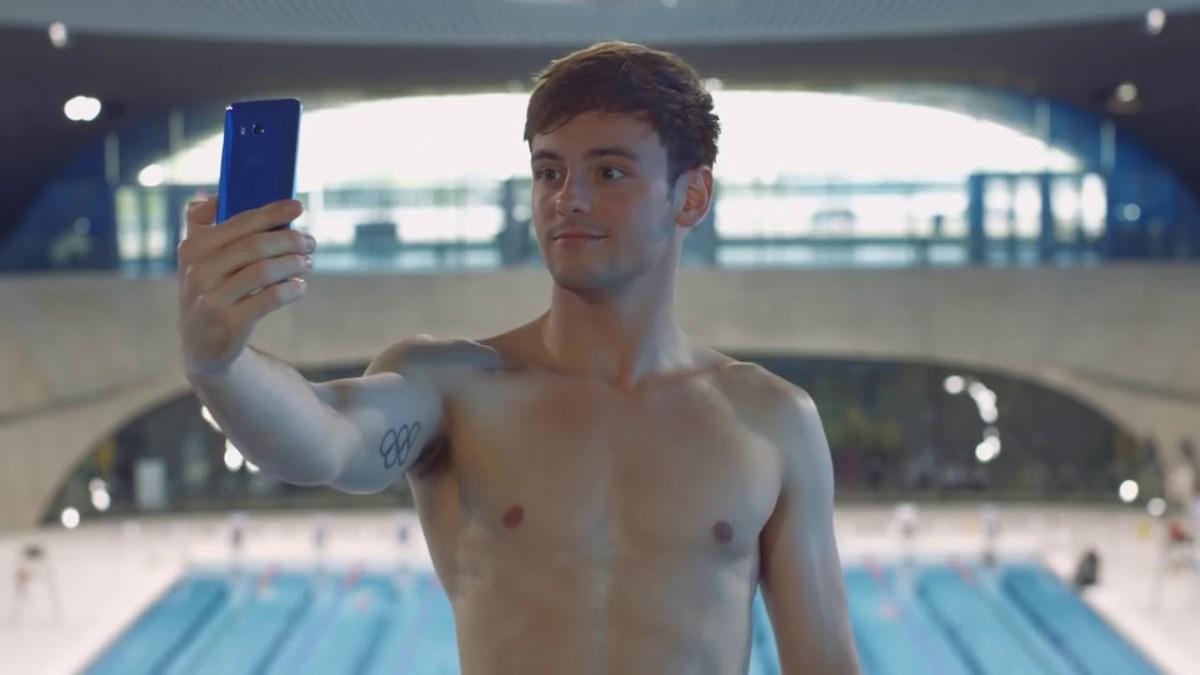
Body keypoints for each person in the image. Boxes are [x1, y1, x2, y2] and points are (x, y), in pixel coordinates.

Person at [177, 41, 860, 674]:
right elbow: (326, 442)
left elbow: (825, 664)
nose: (569, 199)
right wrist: (220, 365)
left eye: (610, 171)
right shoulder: (454, 390)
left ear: (693, 195)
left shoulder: (770, 421)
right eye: (549, 171)